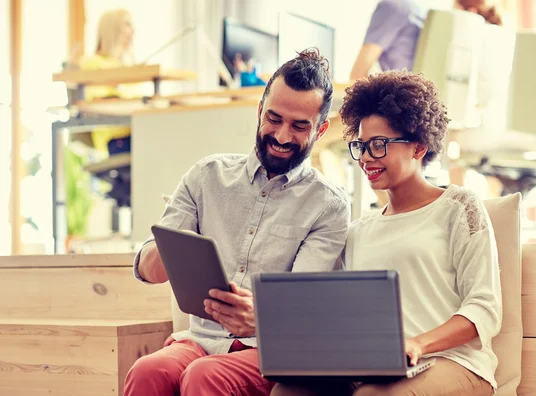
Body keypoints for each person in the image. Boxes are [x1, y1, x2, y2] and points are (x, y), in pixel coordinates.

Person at [123, 48, 351, 396]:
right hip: (201, 340)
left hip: (269, 349)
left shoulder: (328, 206)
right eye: (274, 119)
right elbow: (148, 269)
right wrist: (159, 256)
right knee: (147, 370)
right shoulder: (206, 176)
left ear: (320, 131)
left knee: (204, 376)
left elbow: (300, 305)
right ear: (259, 110)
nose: (282, 136)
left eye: (299, 126)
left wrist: (259, 317)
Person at [272, 71, 502, 396]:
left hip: (456, 364)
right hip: (380, 369)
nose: (366, 158)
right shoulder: (359, 230)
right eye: (361, 146)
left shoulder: (459, 207)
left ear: (419, 146)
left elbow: (484, 309)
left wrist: (417, 344)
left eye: (378, 145)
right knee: (288, 392)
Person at [349, 0, 504, 80]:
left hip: (400, 114)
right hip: (427, 116)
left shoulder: (393, 6)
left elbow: (357, 75)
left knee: (326, 127)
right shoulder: (426, 15)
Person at [78, 8, 138, 154]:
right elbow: (98, 102)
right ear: (112, 28)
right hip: (116, 139)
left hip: (136, 133)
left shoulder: (126, 66)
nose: (132, 31)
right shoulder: (93, 63)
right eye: (127, 25)